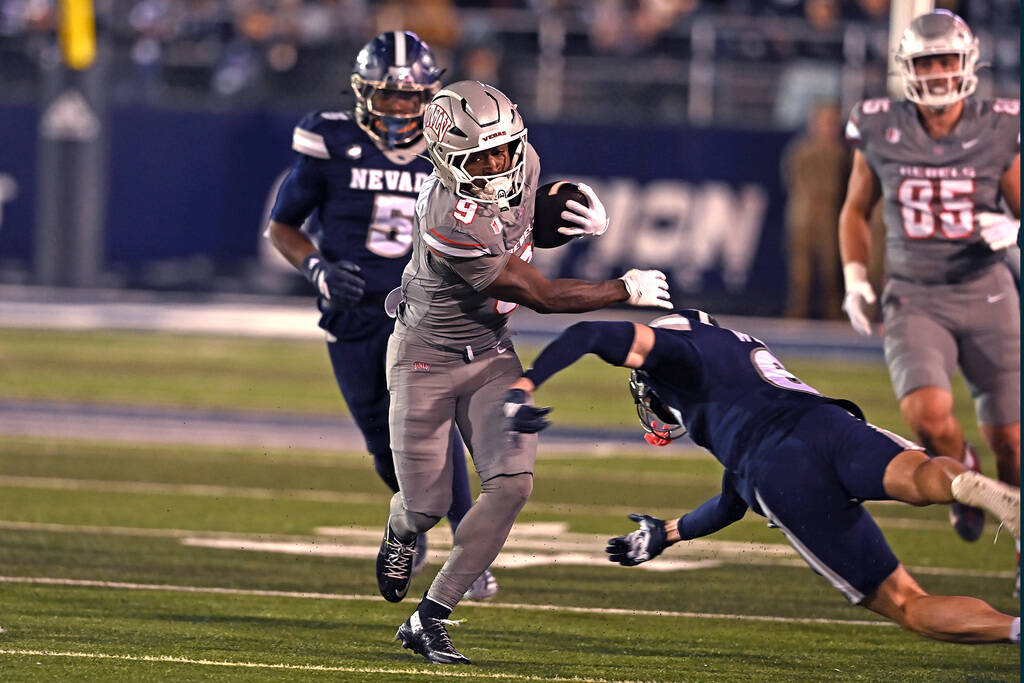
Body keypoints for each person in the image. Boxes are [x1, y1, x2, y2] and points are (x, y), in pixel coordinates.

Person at [505, 310, 1021, 644]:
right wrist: (668, 532)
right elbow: (733, 497)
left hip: (778, 473)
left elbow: (590, 333)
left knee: (907, 602)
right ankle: (969, 487)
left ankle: (1015, 630)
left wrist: (527, 384)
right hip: (825, 424)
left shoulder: (678, 351)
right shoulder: (738, 347)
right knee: (925, 474)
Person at [378, 79, 673, 665]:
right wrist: (623, 288)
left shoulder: (523, 158)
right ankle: (400, 529)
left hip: (491, 351)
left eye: (504, 151)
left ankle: (430, 617)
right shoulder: (447, 215)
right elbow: (539, 294)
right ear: (444, 158)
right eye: (481, 158)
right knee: (426, 506)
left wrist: (569, 203)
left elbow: (525, 218)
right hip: (425, 358)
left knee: (512, 486)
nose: (499, 166)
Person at [265, 31, 497, 600]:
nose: (398, 108)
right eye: (388, 95)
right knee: (381, 438)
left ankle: (469, 552)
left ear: (430, 95)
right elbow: (283, 226)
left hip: (424, 312)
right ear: (362, 92)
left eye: (409, 96)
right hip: (351, 311)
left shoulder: (456, 148)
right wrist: (318, 270)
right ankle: (411, 525)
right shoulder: (331, 139)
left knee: (432, 427)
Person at [837, 9, 1020, 593]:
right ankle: (963, 475)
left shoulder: (1000, 125)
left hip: (987, 290)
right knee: (927, 418)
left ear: (968, 64)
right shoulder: (877, 123)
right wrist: (855, 278)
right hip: (914, 294)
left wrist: (1017, 230)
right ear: (906, 68)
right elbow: (855, 209)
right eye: (926, 62)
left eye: (947, 60)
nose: (938, 73)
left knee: (1013, 440)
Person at [780, 100, 848, 319]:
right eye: (825, 123)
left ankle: (834, 311)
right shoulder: (801, 151)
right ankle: (798, 310)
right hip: (803, 214)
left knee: (831, 268)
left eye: (833, 124)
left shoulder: (840, 153)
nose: (829, 129)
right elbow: (791, 178)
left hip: (829, 215)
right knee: (801, 269)